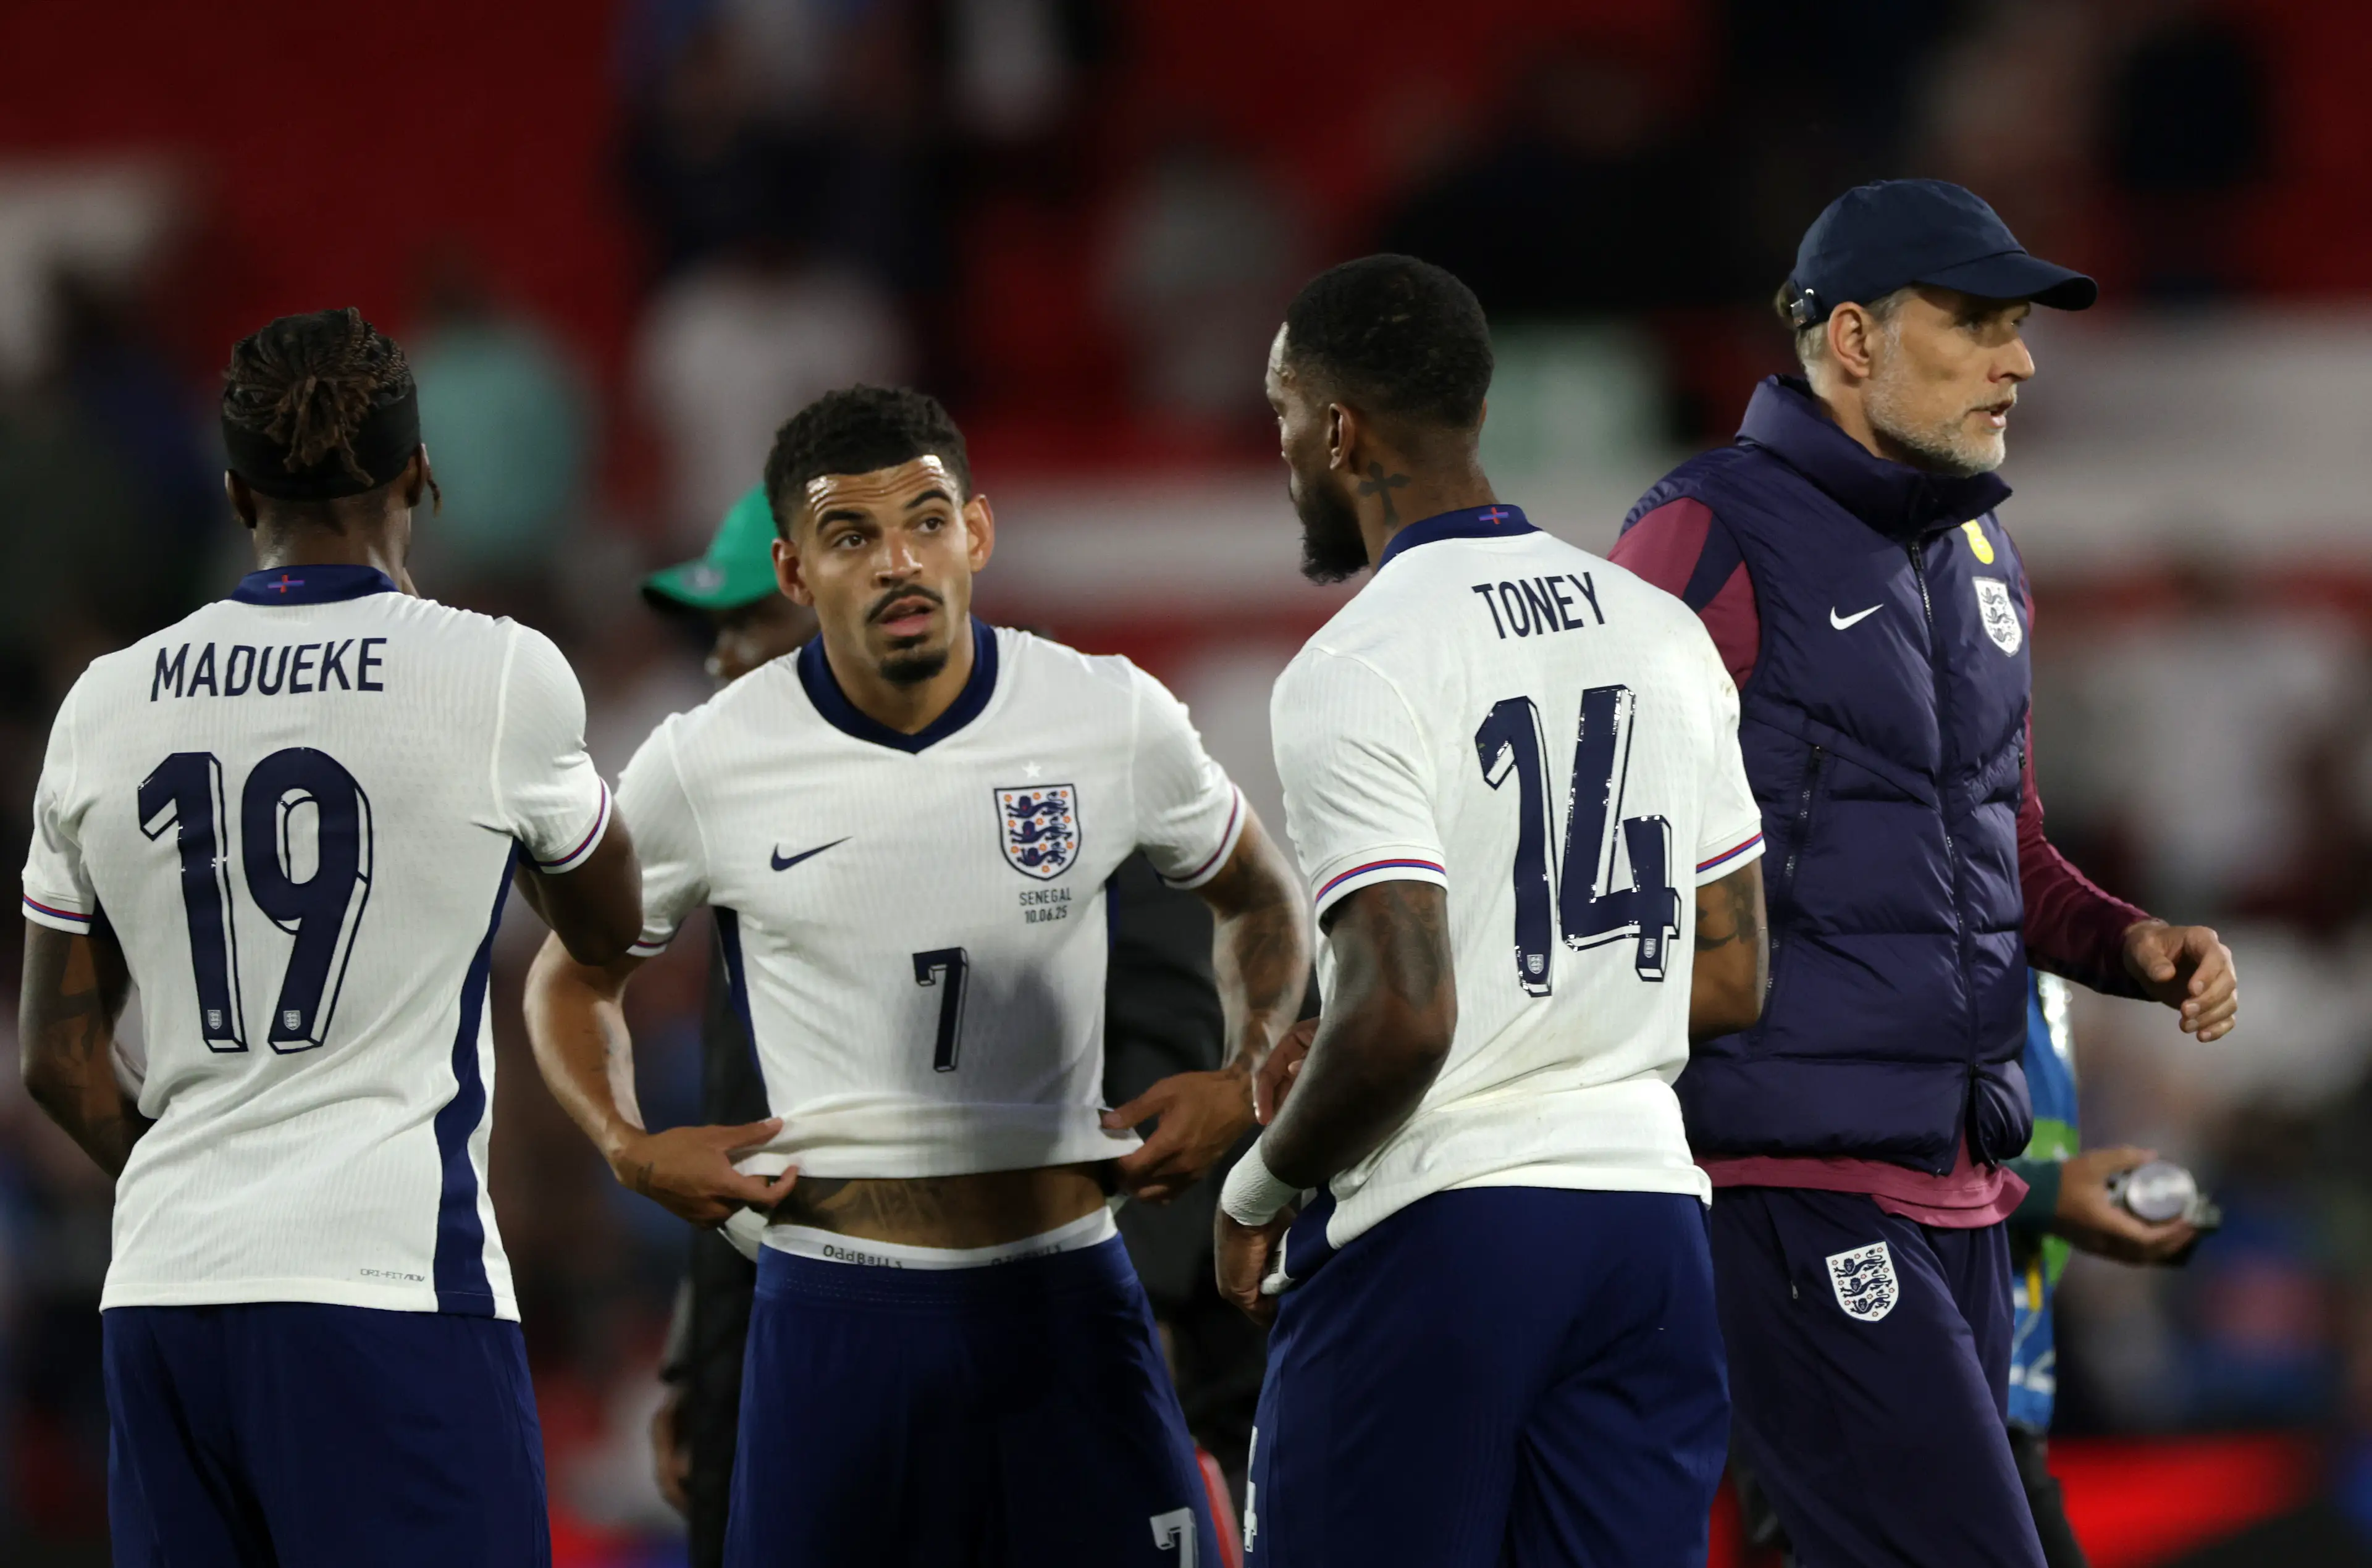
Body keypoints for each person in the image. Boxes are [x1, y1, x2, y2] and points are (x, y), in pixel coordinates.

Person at [524, 385, 1312, 1565]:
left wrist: (1244, 1076)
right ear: (795, 571)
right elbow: (570, 978)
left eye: (928, 521)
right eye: (852, 536)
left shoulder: (1108, 714)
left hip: (1067, 1294)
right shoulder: (710, 759)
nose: (899, 560)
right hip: (838, 1310)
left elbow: (1259, 894)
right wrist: (627, 1142)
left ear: (977, 533)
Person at [1606, 179, 2240, 1568]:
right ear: (1851, 340)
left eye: (2019, 327)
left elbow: (2003, 848)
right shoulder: (1700, 539)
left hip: (1966, 1193)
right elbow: (1597, 862)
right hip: (1786, 1186)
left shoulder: (1979, 552)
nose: (2018, 360)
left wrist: (2132, 945)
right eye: (1976, 324)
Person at [15, 308, 642, 1567]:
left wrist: (197, 1179)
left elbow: (59, 1062)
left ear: (236, 488)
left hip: (167, 1293)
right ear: (422, 474)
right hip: (390, 1286)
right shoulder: (496, 674)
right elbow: (609, 922)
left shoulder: (103, 701)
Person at [1216, 254, 1770, 1566]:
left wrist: (1256, 1191)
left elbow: (1406, 1019)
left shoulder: (1355, 666)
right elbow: (1735, 975)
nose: (1285, 449)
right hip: (1647, 1231)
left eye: (1284, 416)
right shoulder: (1659, 631)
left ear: (1337, 428)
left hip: (1446, 1229)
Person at [635, 485, 815, 1568]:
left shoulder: (1026, 791)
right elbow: (739, 1132)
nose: (723, 657)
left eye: (752, 620)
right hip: (757, 1354)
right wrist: (694, 1360)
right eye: (717, 631)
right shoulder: (734, 827)